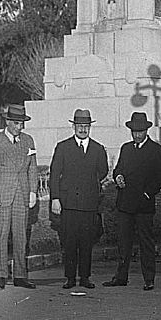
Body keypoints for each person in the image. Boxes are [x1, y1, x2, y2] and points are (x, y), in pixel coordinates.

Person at [102, 112, 161, 291]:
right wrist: (119, 177)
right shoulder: (126, 148)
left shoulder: (156, 150)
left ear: (146, 130)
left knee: (146, 242)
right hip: (125, 203)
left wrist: (148, 193)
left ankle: (149, 278)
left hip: (144, 205)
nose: (137, 135)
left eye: (140, 131)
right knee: (123, 242)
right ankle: (121, 277)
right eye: (134, 131)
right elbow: (118, 169)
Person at [49, 109, 109, 290]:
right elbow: (54, 175)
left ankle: (85, 277)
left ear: (90, 127)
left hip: (89, 204)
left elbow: (103, 171)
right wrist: (55, 198)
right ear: (73, 126)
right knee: (69, 242)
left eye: (86, 126)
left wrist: (90, 185)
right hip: (68, 204)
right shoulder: (63, 147)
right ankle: (69, 278)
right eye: (80, 126)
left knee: (86, 242)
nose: (83, 129)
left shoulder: (98, 149)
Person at [0, 104, 38, 290]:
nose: (19, 127)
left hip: (22, 195)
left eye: (22, 123)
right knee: (0, 236)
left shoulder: (29, 141)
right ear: (7, 122)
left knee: (21, 237)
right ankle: (1, 274)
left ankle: (20, 275)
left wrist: (32, 191)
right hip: (1, 196)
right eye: (16, 123)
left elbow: (32, 168)